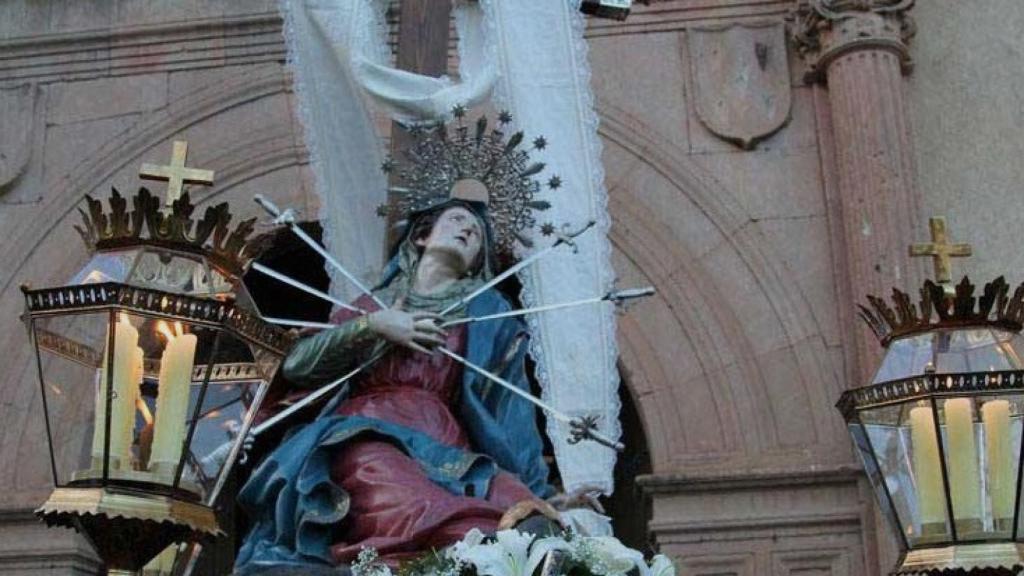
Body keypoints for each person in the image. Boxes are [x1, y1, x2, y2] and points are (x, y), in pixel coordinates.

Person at [234, 199, 562, 574]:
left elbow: (511, 410)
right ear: (422, 235)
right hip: (366, 433)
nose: (469, 231)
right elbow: (298, 365)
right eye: (457, 220)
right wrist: (374, 326)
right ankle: (465, 555)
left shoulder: (489, 314)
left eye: (478, 237)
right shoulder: (372, 304)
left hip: (449, 446)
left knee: (522, 512)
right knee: (408, 500)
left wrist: (542, 494)